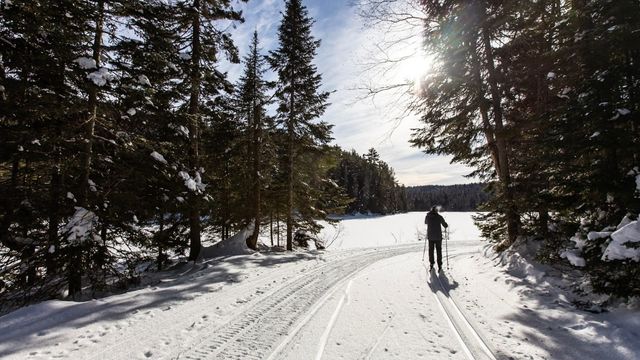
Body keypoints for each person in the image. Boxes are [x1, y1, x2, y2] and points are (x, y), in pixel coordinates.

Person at [425, 206, 448, 271]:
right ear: (436, 211)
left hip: (430, 237)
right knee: (439, 250)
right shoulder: (439, 217)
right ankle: (439, 264)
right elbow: (444, 224)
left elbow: (426, 222)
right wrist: (446, 225)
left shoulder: (428, 216)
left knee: (431, 250)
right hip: (438, 237)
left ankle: (431, 263)